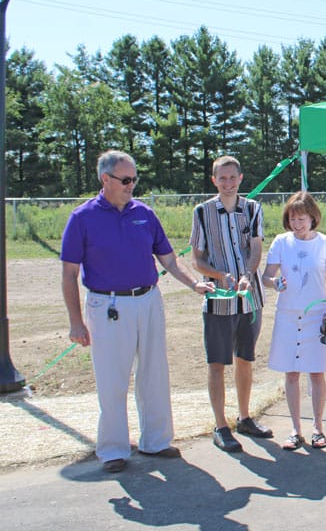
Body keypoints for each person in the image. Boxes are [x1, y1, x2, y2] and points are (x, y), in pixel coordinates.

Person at [61, 150, 214, 474]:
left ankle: (156, 441)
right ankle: (114, 449)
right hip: (107, 306)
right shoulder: (82, 218)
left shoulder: (144, 213)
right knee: (112, 379)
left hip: (148, 300)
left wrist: (193, 284)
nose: (132, 185)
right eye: (126, 179)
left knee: (155, 373)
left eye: (135, 179)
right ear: (106, 179)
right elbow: (69, 274)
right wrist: (76, 321)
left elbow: (169, 260)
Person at [190, 156, 268, 453]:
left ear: (240, 178)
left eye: (232, 178)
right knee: (217, 363)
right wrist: (219, 275)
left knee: (246, 358)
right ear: (214, 180)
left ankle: (245, 417)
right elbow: (197, 259)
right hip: (219, 301)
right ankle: (221, 425)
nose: (227, 183)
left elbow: (256, 248)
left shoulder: (253, 209)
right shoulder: (203, 212)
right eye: (222, 178)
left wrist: (247, 275)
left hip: (250, 299)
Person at [261, 191, 326, 451]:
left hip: (316, 317)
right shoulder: (281, 243)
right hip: (287, 315)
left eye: (302, 218)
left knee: (317, 373)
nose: (298, 224)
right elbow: (266, 276)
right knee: (292, 373)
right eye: (293, 219)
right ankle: (296, 430)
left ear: (313, 218)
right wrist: (275, 283)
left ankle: (318, 428)